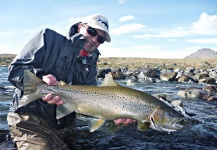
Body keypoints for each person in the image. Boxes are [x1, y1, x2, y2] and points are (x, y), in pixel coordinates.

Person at [7, 14, 136, 150]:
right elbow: (15, 70)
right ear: (80, 27)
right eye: (92, 31)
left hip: (63, 126)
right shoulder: (48, 38)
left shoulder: (90, 63)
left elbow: (90, 102)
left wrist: (113, 113)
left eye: (100, 38)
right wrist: (41, 77)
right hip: (29, 119)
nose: (94, 39)